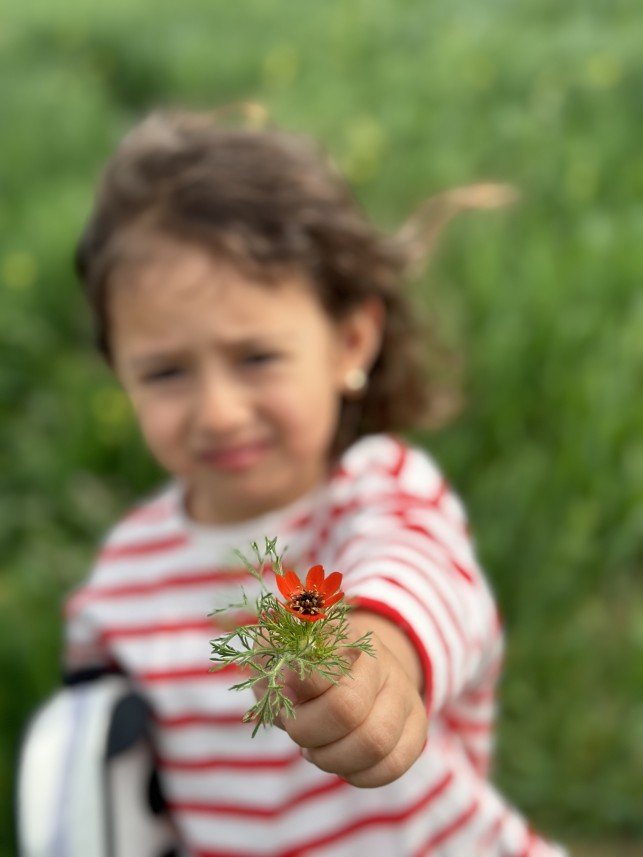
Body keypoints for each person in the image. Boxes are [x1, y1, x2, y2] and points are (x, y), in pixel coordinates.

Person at [65, 107, 567, 856]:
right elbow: (104, 747)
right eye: (166, 372)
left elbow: (418, 569)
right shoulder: (124, 572)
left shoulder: (379, 490)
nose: (219, 412)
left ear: (350, 341)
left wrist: (377, 653)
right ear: (120, 374)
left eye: (257, 358)